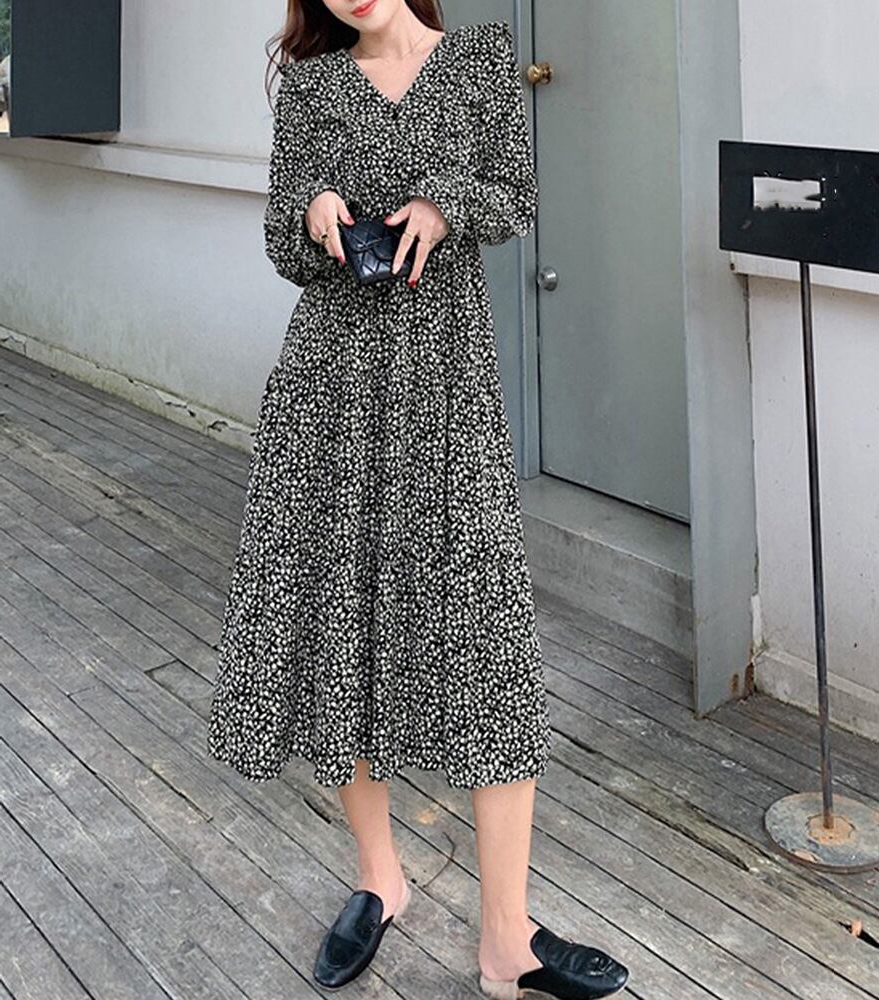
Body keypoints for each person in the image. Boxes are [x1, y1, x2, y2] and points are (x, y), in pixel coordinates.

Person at [208, 1, 630, 997]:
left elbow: (514, 197)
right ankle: (380, 878)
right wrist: (313, 210)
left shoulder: (480, 59)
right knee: (340, 630)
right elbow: (279, 237)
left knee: (486, 642)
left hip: (448, 387)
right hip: (332, 389)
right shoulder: (312, 85)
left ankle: (506, 938)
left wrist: (442, 203)